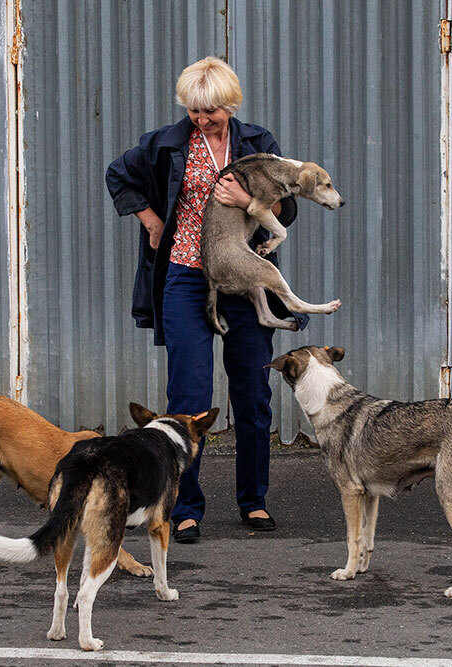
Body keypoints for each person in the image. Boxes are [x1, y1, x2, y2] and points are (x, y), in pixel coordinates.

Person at [106, 56, 305, 543]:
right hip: (185, 279)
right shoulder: (165, 144)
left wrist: (249, 203)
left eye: (211, 110)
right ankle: (184, 505)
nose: (203, 119)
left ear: (230, 105)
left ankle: (253, 501)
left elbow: (289, 208)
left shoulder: (258, 144)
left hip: (244, 278)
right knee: (189, 398)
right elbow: (119, 175)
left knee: (253, 395)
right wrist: (151, 221)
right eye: (195, 110)